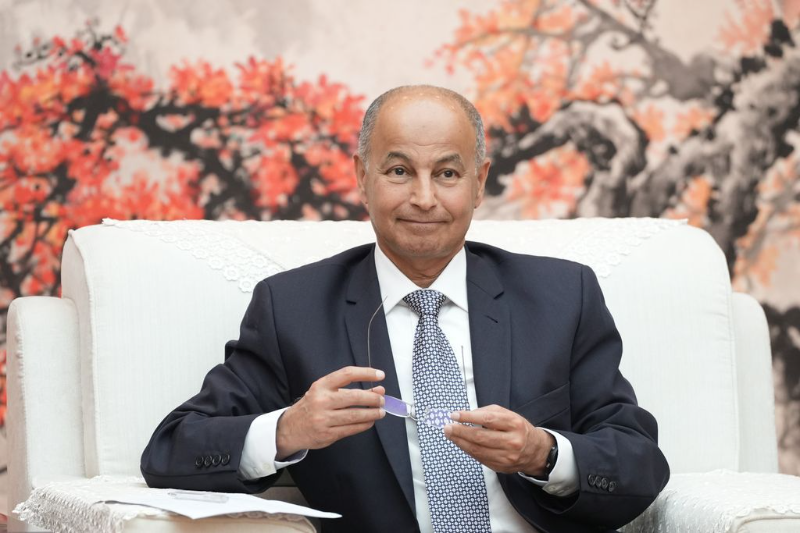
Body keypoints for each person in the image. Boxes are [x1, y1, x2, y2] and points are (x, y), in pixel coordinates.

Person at [141, 85, 670, 532]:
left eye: (447, 174)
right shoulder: (293, 309)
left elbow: (640, 462)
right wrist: (288, 429)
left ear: (480, 182)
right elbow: (171, 450)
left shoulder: (562, 296)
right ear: (361, 177)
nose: (423, 198)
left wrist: (542, 453)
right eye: (398, 171)